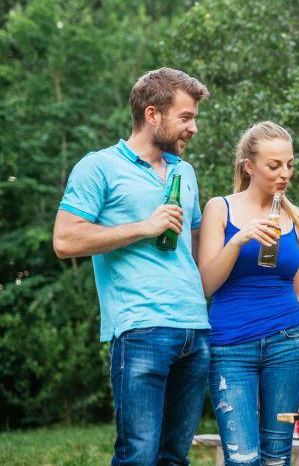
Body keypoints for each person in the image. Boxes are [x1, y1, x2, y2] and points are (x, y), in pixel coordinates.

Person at [53, 68, 211, 465]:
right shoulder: (99, 166)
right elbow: (65, 240)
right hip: (140, 327)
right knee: (137, 455)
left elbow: (195, 248)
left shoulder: (184, 172)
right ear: (153, 114)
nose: (193, 128)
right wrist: (144, 227)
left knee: (175, 456)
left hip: (194, 329)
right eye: (186, 117)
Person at [198, 121, 299, 466]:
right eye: (274, 165)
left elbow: (298, 292)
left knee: (277, 457)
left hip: (287, 344)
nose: (285, 174)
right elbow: (206, 284)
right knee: (242, 458)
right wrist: (238, 239)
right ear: (249, 166)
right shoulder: (220, 209)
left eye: (290, 165)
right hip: (231, 347)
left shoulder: (296, 220)